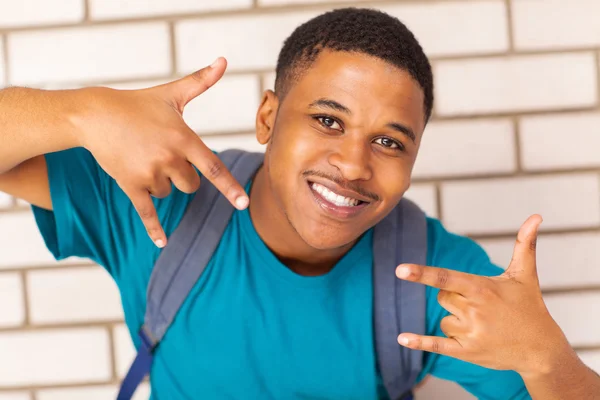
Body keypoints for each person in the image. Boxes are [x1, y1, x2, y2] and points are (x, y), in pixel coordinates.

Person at [0, 7, 598, 400]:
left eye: (389, 141)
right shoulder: (165, 198)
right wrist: (82, 112)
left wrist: (550, 364)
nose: (356, 165)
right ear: (268, 117)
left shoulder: (432, 276)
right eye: (327, 120)